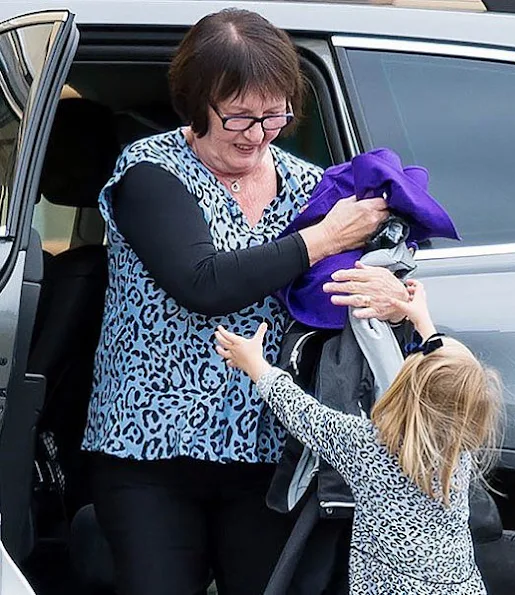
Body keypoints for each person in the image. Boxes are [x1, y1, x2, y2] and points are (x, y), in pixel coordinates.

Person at [81, 8, 402, 595]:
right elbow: (203, 283)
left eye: (274, 115)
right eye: (238, 117)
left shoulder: (311, 185)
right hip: (152, 450)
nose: (257, 134)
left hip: (272, 449)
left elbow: (338, 291)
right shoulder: (150, 170)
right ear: (195, 103)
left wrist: (386, 291)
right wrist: (325, 238)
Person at [215, 279, 503, 595]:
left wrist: (255, 364)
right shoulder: (460, 448)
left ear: (401, 389)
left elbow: (302, 413)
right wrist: (421, 320)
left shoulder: (367, 445)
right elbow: (445, 379)